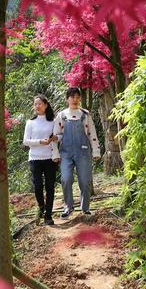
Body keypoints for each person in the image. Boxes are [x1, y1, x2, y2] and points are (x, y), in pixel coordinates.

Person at [53, 87, 100, 218]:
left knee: (85, 181)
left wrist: (96, 150)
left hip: (83, 151)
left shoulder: (85, 115)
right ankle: (68, 207)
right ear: (67, 99)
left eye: (77, 97)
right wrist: (55, 153)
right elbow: (56, 135)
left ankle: (85, 208)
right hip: (66, 153)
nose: (75, 99)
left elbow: (92, 133)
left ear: (80, 98)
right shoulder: (61, 115)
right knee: (66, 179)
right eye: (72, 97)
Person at [22, 95, 59, 225]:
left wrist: (56, 138)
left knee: (50, 187)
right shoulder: (30, 122)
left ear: (46, 105)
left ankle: (48, 216)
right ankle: (42, 209)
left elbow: (60, 135)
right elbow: (26, 141)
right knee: (38, 186)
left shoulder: (53, 121)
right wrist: (39, 142)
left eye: (39, 104)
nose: (37, 106)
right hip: (35, 158)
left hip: (50, 158)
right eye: (35, 104)